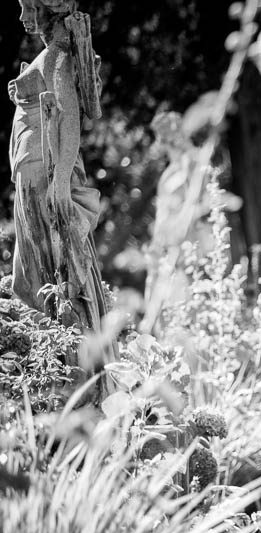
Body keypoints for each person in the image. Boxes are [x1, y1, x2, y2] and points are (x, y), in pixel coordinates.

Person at [8, 0, 106, 330]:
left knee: (52, 267)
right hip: (30, 173)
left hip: (43, 174)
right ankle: (54, 346)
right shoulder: (50, 55)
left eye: (28, 7)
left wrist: (62, 178)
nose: (22, 17)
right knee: (38, 266)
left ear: (49, 8)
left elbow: (69, 117)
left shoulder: (57, 55)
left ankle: (68, 352)